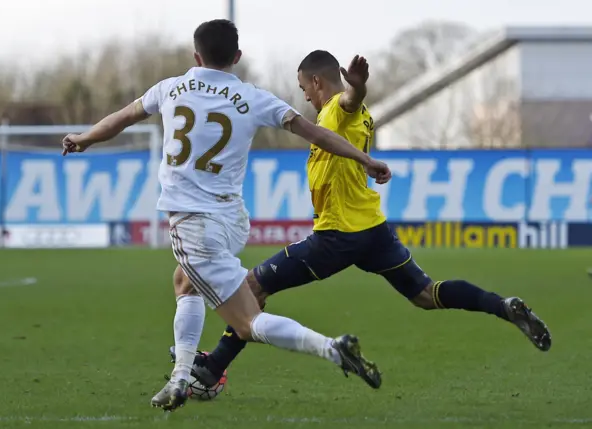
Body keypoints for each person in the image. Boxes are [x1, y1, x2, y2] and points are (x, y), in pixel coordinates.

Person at [170, 50, 553, 389]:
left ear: (317, 81)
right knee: (424, 293)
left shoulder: (337, 109)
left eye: (304, 86)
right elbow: (353, 109)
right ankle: (502, 306)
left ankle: (212, 366)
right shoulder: (355, 118)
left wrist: (357, 87)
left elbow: (350, 100)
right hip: (373, 231)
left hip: (337, 236)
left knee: (251, 287)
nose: (303, 94)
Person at [61, 23, 389, 412]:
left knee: (247, 321)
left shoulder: (170, 88)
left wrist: (84, 138)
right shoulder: (253, 97)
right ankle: (180, 379)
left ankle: (333, 350)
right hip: (232, 220)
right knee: (185, 283)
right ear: (236, 57)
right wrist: (365, 158)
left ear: (196, 56)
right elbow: (317, 135)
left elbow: (121, 118)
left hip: (193, 222)